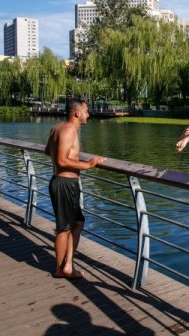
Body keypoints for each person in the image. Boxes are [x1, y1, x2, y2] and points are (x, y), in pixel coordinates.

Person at [45, 98, 106, 279]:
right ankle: (60, 269)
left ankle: (68, 265)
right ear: (77, 113)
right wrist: (88, 164)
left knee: (77, 223)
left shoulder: (56, 128)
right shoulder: (70, 130)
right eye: (86, 111)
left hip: (62, 182)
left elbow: (48, 151)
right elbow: (61, 160)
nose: (88, 114)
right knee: (64, 228)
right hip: (65, 184)